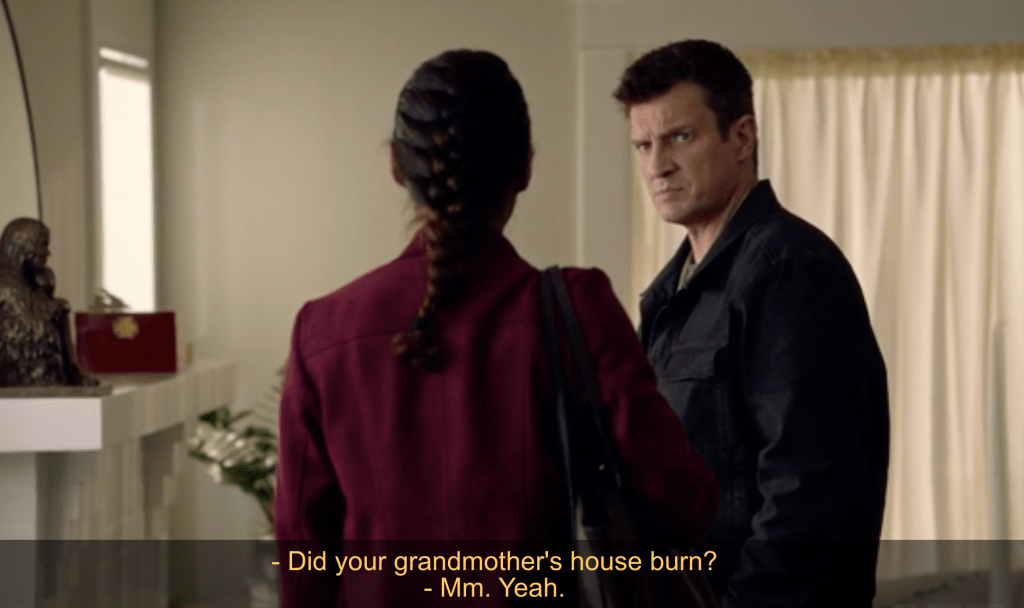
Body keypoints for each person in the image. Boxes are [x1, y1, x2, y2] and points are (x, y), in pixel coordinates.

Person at [274, 49, 719, 607]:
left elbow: (303, 566)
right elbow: (682, 502)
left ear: (396, 167)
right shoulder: (577, 308)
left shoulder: (321, 331)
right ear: (525, 168)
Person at [614, 40, 890, 607]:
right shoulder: (669, 297)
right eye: (643, 145)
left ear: (741, 138)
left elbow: (807, 498)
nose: (657, 165)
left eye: (679, 137)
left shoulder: (789, 270)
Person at [0, 218, 95, 386]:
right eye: (43, 244)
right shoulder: (5, 287)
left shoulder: (37, 283)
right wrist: (49, 309)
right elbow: (28, 335)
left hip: (48, 382)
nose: (47, 252)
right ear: (22, 244)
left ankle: (72, 375)